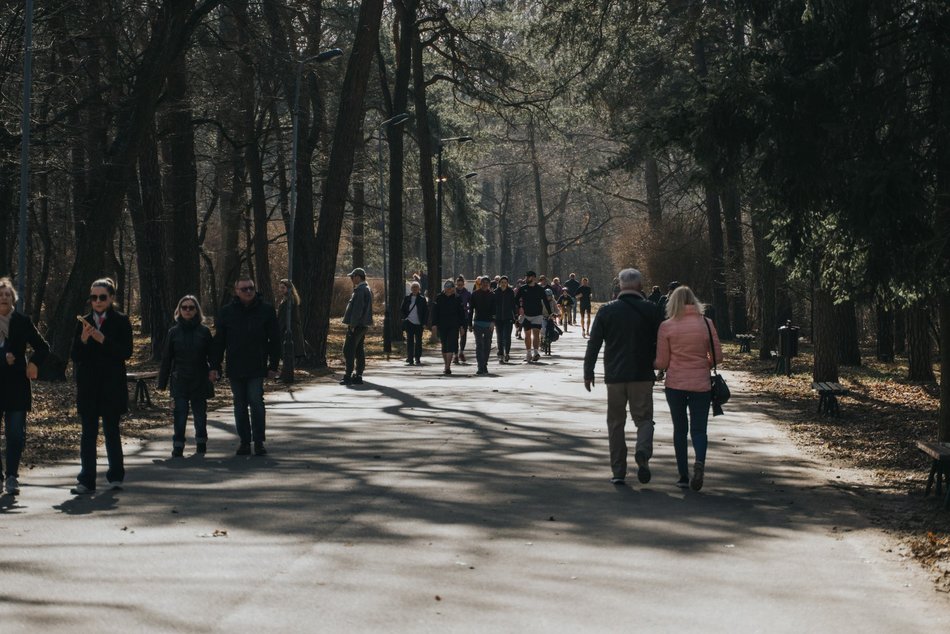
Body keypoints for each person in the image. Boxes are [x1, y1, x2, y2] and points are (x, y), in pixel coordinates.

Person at [583, 268, 662, 486]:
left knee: (616, 423)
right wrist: (662, 364)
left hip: (615, 376)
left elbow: (594, 343)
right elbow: (662, 340)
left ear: (620, 286)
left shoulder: (607, 311)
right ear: (639, 286)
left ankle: (618, 471)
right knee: (644, 420)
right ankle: (643, 452)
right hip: (642, 374)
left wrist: (588, 372)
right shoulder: (651, 310)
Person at [654, 285, 723, 491]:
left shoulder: (666, 326)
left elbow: (663, 362)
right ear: (694, 301)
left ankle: (683, 476)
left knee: (680, 429)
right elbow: (718, 357)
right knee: (699, 429)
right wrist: (704, 364)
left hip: (675, 384)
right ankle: (699, 462)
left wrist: (656, 364)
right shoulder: (706, 323)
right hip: (701, 384)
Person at [70, 278, 133, 494]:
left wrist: (103, 340)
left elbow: (126, 352)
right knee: (88, 433)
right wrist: (85, 340)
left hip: (112, 386)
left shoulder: (121, 321)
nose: (97, 301)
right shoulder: (83, 321)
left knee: (111, 432)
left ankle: (116, 476)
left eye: (102, 297)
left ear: (111, 298)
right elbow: (75, 356)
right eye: (94, 297)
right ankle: (86, 480)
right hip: (88, 387)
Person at [211, 276, 281, 456]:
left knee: (256, 401)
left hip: (257, 365)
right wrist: (215, 365)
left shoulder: (266, 310)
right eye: (244, 289)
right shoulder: (227, 312)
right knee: (239, 404)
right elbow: (219, 341)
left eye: (251, 288)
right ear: (236, 291)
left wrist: (273, 364)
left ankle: (258, 441)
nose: (248, 292)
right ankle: (244, 441)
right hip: (235, 366)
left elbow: (275, 339)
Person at [0, 277, 50, 496]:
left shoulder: (22, 321)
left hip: (17, 385)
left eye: (7, 294)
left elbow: (43, 347)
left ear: (13, 298)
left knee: (15, 434)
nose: (3, 298)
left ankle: (12, 477)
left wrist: (32, 363)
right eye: (0, 295)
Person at [158, 295, 215, 457]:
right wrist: (162, 383)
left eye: (191, 307)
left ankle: (201, 442)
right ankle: (178, 445)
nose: (188, 310)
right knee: (180, 414)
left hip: (200, 378)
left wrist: (215, 371)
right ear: (179, 310)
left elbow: (212, 355)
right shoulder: (173, 332)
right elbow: (166, 359)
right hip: (179, 379)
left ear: (197, 310)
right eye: (184, 307)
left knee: (199, 414)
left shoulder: (204, 331)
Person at [340, 268, 373, 385]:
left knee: (348, 349)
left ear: (358, 277)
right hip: (363, 325)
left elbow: (357, 310)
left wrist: (352, 324)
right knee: (359, 350)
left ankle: (347, 375)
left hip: (357, 325)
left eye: (352, 277)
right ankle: (358, 375)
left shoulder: (360, 290)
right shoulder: (366, 289)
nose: (351, 279)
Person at [430, 280, 466, 375]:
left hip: (454, 326)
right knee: (444, 345)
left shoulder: (457, 298)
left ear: (453, 289)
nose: (449, 290)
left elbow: (461, 314)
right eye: (447, 288)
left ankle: (448, 366)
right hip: (442, 325)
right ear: (444, 288)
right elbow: (435, 313)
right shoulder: (439, 298)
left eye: (450, 288)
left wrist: (462, 326)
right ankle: (446, 364)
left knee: (450, 345)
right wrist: (434, 325)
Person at [515, 270, 546, 363]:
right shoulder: (522, 288)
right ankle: (528, 353)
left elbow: (546, 301)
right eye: (526, 277)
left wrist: (550, 313)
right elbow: (516, 300)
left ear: (533, 278)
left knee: (536, 333)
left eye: (528, 277)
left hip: (537, 315)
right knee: (527, 334)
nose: (526, 278)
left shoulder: (540, 289)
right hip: (526, 315)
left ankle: (536, 352)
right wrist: (520, 308)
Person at [469, 276, 497, 375]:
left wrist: (493, 322)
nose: (485, 284)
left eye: (487, 283)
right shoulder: (475, 294)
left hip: (489, 324)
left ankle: (484, 363)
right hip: (478, 323)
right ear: (480, 284)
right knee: (479, 345)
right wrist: (469, 324)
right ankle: (480, 366)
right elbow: (471, 309)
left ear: (489, 284)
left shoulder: (492, 295)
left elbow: (495, 310)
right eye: (483, 283)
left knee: (487, 345)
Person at [277, 279, 307, 364]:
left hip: (289, 329)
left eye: (283, 288)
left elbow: (284, 318)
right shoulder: (288, 299)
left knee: (287, 352)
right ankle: (286, 371)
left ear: (289, 288)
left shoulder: (289, 300)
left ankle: (287, 373)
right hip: (291, 329)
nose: (281, 290)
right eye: (280, 288)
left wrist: (279, 329)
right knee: (288, 352)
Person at [401, 281, 427, 365]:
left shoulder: (422, 299)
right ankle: (410, 358)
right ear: (411, 289)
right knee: (410, 341)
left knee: (418, 341)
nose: (415, 289)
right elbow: (402, 309)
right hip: (409, 322)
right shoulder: (407, 298)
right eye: (413, 287)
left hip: (419, 323)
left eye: (416, 287)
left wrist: (424, 322)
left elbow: (426, 312)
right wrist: (405, 318)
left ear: (419, 289)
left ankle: (417, 358)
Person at [493, 275, 517, 363]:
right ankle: (501, 354)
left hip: (508, 318)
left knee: (507, 337)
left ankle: (507, 353)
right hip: (498, 318)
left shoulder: (510, 292)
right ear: (499, 283)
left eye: (505, 283)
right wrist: (493, 316)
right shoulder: (495, 292)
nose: (503, 284)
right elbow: (493, 306)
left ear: (507, 284)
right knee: (500, 337)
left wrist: (516, 316)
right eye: (502, 282)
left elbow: (513, 305)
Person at [454, 275, 472, 364]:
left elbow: (471, 304)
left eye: (461, 285)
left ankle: (461, 352)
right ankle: (455, 355)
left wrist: (467, 309)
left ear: (463, 284)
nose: (460, 286)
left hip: (464, 317)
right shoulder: (453, 292)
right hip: (454, 317)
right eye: (458, 285)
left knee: (463, 336)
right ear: (456, 284)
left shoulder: (467, 293)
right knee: (454, 337)